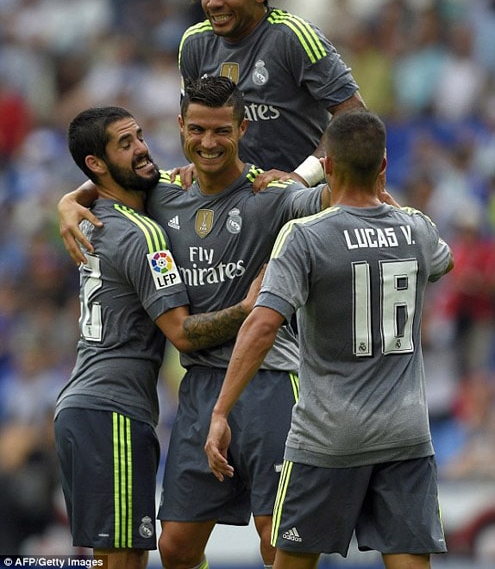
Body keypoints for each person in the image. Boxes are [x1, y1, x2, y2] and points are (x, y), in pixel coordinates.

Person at [57, 76, 332, 569]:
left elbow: (339, 198)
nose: (208, 143)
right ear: (181, 127)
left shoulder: (272, 196)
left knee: (278, 540)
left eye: (222, 131)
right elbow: (106, 182)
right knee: (175, 547)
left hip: (268, 378)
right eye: (198, 130)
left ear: (242, 129)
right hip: (201, 385)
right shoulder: (160, 192)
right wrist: (68, 200)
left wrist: (306, 176)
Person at [205, 109, 455, 569]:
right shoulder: (417, 229)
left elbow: (261, 326)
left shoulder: (304, 236)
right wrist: (383, 196)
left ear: (331, 167)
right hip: (406, 433)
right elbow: (443, 262)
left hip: (328, 436)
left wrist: (221, 411)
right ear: (383, 166)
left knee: (294, 562)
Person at [54, 104, 264, 569]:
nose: (143, 149)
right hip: (114, 413)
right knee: (124, 562)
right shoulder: (143, 236)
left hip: (84, 408)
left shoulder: (93, 219)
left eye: (140, 137)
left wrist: (68, 200)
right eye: (125, 144)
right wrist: (249, 309)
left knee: (111, 559)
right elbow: (185, 334)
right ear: (96, 164)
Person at [177, 0, 366, 189]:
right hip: (229, 197)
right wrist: (199, 162)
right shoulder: (193, 42)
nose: (213, 2)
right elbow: (190, 120)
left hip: (299, 200)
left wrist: (302, 177)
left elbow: (353, 112)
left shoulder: (293, 37)